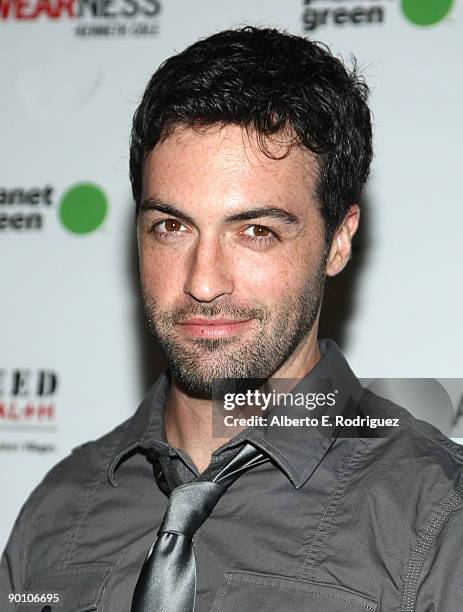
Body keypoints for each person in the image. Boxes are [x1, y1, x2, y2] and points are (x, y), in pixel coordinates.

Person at [1, 26, 462, 612]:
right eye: (172, 227)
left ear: (339, 241)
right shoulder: (56, 511)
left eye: (255, 231)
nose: (202, 280)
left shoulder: (440, 517)